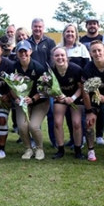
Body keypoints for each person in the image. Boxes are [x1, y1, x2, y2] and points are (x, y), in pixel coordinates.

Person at [10, 40, 49, 160]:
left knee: (33, 126)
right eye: (20, 51)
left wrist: (32, 99)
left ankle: (39, 148)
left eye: (25, 51)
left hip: (39, 101)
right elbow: (11, 86)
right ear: (16, 53)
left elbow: (44, 89)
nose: (23, 54)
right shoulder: (14, 67)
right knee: (22, 126)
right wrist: (17, 98)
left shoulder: (38, 67)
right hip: (22, 101)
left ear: (30, 51)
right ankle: (28, 148)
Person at [58, 24, 90, 148]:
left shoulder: (82, 48)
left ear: (76, 34)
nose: (70, 34)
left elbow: (87, 66)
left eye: (72, 32)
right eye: (67, 31)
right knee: (68, 115)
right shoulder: (59, 48)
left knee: (78, 116)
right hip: (64, 89)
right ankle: (72, 138)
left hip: (79, 88)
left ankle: (80, 140)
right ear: (64, 33)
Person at [50, 46, 85, 159]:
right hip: (60, 99)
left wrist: (73, 97)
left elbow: (82, 88)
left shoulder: (76, 69)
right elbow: (48, 89)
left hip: (76, 98)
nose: (60, 58)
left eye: (62, 55)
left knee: (76, 123)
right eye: (57, 55)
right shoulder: (51, 71)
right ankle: (60, 149)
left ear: (67, 57)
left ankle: (78, 149)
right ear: (53, 58)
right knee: (57, 122)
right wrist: (57, 96)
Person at [27, 18, 57, 147]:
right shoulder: (26, 43)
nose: (37, 29)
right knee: (32, 112)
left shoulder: (50, 42)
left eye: (40, 27)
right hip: (31, 84)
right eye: (35, 26)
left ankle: (55, 141)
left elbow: (53, 60)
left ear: (43, 28)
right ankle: (33, 140)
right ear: (32, 27)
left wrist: (48, 79)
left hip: (46, 82)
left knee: (51, 113)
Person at [79, 17, 104, 145]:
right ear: (86, 26)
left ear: (98, 25)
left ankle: (100, 135)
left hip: (103, 75)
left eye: (94, 23)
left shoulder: (103, 38)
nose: (92, 26)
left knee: (101, 108)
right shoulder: (82, 40)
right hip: (89, 73)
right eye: (89, 23)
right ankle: (86, 134)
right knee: (89, 107)